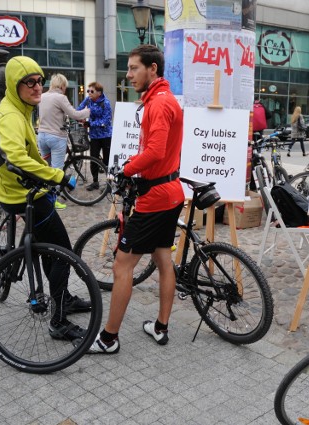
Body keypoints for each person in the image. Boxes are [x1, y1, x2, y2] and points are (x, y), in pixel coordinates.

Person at [89, 44, 184, 354]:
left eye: (133, 68)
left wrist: (125, 169)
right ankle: (161, 328)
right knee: (162, 258)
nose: (128, 75)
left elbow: (155, 151)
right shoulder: (165, 99)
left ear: (152, 69)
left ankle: (108, 338)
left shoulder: (157, 104)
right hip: (171, 193)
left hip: (155, 197)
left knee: (122, 266)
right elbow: (159, 151)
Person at [0, 56, 91, 342]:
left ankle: (64, 298)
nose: (36, 87)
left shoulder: (20, 109)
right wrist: (56, 176)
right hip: (24, 195)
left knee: (50, 250)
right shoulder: (10, 116)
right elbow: (16, 157)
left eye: (39, 81)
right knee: (63, 253)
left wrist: (43, 168)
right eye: (29, 82)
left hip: (22, 190)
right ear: (14, 84)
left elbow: (27, 153)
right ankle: (58, 321)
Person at [37, 73, 90, 210]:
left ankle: (44, 197)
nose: (65, 89)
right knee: (56, 171)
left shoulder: (42, 96)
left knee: (46, 169)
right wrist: (89, 111)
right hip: (56, 137)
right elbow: (75, 114)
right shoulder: (60, 97)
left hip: (42, 136)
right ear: (61, 85)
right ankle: (53, 201)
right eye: (65, 86)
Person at [77, 82, 112, 192]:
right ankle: (95, 182)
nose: (89, 93)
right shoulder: (88, 100)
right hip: (94, 136)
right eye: (88, 91)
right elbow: (78, 109)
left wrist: (91, 123)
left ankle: (109, 185)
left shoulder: (106, 103)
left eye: (92, 91)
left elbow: (106, 121)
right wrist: (80, 117)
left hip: (106, 135)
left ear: (99, 93)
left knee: (107, 161)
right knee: (93, 159)